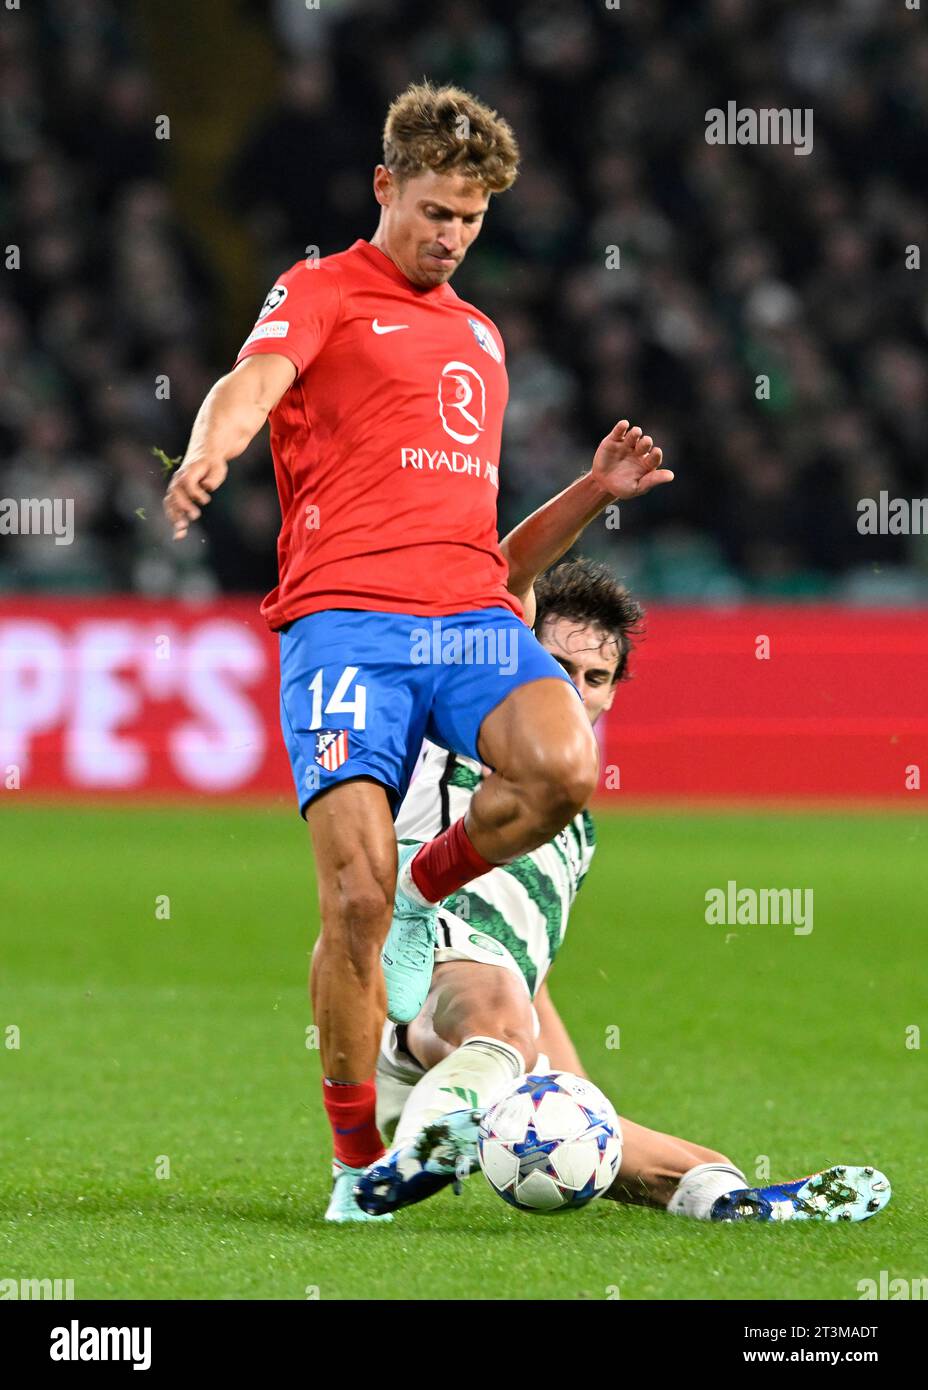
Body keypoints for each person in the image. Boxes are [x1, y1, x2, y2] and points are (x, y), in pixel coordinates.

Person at [163, 79, 673, 1220]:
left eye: (472, 219)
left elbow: (478, 537)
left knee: (560, 770)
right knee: (351, 899)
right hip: (344, 622)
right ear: (386, 187)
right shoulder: (322, 290)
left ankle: (428, 887)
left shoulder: (479, 339)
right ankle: (356, 1162)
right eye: (435, 211)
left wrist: (591, 489)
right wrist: (212, 451)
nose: (451, 237)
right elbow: (252, 383)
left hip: (468, 617)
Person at [356, 560, 892, 1226]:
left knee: (659, 1156)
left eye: (596, 678)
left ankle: (733, 1201)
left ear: (613, 690)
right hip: (417, 986)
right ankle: (436, 1134)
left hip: (495, 1035)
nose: (574, 692)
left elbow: (532, 980)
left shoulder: (572, 827)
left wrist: (578, 1098)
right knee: (491, 1011)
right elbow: (509, 573)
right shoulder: (455, 735)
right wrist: (596, 493)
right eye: (555, 667)